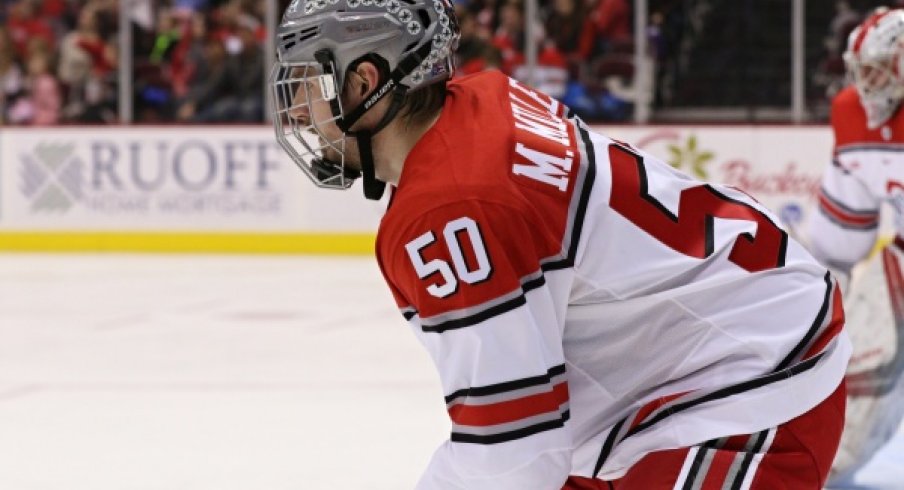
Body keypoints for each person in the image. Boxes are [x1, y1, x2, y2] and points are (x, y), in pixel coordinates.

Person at [269, 0, 850, 487]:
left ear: (367, 81)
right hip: (743, 335)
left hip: (754, 388)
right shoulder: (481, 102)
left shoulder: (453, 208)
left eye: (310, 84)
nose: (299, 109)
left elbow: (514, 454)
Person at [809, 6, 904, 485]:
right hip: (902, 262)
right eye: (861, 69)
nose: (867, 82)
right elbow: (839, 240)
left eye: (879, 67)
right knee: (863, 381)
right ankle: (827, 476)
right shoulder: (852, 113)